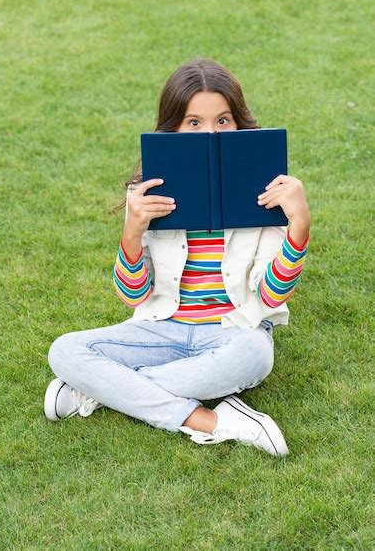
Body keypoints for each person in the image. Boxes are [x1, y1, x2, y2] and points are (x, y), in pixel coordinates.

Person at [44, 59, 310, 457]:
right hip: (161, 330)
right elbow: (134, 296)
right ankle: (215, 420)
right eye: (194, 123)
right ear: (173, 128)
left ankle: (101, 389)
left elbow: (268, 298)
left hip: (233, 332)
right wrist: (133, 230)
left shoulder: (264, 192)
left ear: (239, 124)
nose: (210, 133)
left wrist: (298, 227)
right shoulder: (151, 191)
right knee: (64, 350)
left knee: (255, 356)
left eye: (223, 121)